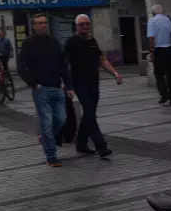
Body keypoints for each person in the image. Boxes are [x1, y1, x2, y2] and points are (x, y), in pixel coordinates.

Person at [18, 13, 74, 167]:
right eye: (39, 23)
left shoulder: (54, 43)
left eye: (45, 23)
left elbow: (63, 65)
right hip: (41, 89)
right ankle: (51, 156)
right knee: (47, 122)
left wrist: (68, 86)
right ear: (34, 26)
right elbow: (22, 66)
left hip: (56, 88)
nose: (43, 25)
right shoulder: (29, 43)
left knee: (61, 119)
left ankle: (44, 138)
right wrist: (33, 83)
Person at [64, 14, 120, 158]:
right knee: (89, 113)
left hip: (94, 83)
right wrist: (66, 84)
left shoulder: (92, 41)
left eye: (87, 24)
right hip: (79, 83)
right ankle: (101, 146)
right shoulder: (71, 42)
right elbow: (63, 63)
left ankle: (81, 144)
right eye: (82, 24)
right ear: (76, 26)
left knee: (89, 115)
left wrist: (114, 73)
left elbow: (101, 59)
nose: (85, 26)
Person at [148, 4, 171, 106]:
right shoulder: (170, 19)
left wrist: (151, 51)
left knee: (159, 74)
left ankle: (164, 95)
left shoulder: (152, 21)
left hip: (159, 51)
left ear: (153, 12)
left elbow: (151, 37)